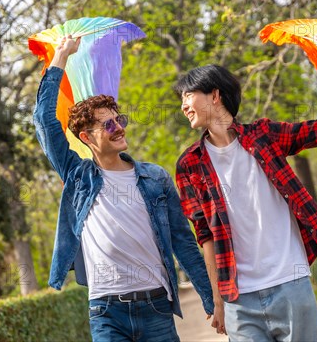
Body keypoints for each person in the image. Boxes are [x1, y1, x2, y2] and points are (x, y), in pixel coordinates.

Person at [174, 35, 317, 340]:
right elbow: (205, 236)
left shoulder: (264, 136)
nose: (183, 105)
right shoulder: (189, 164)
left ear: (214, 96)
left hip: (290, 283)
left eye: (188, 95)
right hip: (238, 298)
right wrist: (217, 300)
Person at [33, 35, 214, 341]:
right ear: (87, 138)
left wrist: (211, 299)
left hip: (156, 306)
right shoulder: (79, 177)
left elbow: (183, 242)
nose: (119, 127)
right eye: (108, 124)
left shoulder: (155, 178)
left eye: (119, 119)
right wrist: (60, 57)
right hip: (106, 312)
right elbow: (44, 121)